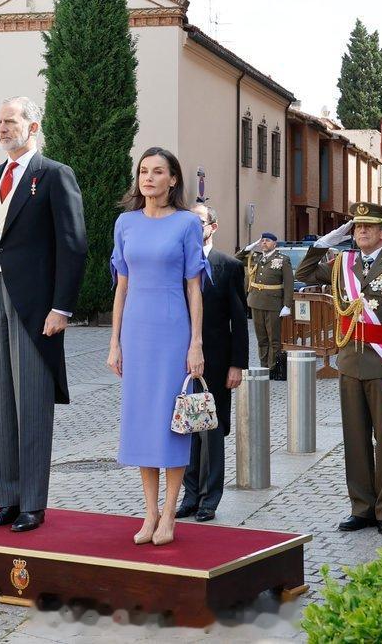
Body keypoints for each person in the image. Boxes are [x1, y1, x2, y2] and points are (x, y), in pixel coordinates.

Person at [0, 97, 87, 533]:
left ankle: (33, 505)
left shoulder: (54, 175)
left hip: (38, 308)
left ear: (32, 126)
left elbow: (73, 244)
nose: (2, 128)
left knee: (33, 403)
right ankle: (6, 499)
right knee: (0, 401)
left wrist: (62, 306)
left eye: (10, 121)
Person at [295, 202, 382, 536]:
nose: (362, 232)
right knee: (354, 439)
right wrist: (325, 242)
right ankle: (362, 507)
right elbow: (303, 274)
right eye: (357, 228)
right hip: (351, 362)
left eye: (369, 227)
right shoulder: (343, 263)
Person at [108, 147, 206, 546]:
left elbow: (194, 287)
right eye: (143, 171)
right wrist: (114, 342)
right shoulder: (125, 223)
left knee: (171, 423)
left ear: (173, 179)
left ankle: (169, 515)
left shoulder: (186, 224)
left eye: (158, 171)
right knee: (143, 422)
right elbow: (121, 286)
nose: (148, 178)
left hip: (171, 331)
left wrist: (196, 343)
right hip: (135, 331)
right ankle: (148, 514)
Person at [176, 203, 247, 523]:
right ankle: (190, 496)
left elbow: (239, 321)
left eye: (199, 221)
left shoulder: (228, 266)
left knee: (211, 432)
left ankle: (210, 499)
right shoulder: (178, 263)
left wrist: (237, 364)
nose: (193, 226)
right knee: (186, 430)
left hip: (217, 362)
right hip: (181, 361)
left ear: (212, 227)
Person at [236, 231, 293, 378]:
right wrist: (251, 246)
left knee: (273, 338)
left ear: (274, 243)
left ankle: (273, 368)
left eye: (267, 241)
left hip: (273, 303)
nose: (264, 243)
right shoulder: (256, 258)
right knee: (261, 338)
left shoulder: (282, 259)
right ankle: (263, 366)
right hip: (256, 301)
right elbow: (237, 258)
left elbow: (288, 284)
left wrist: (287, 305)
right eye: (262, 241)